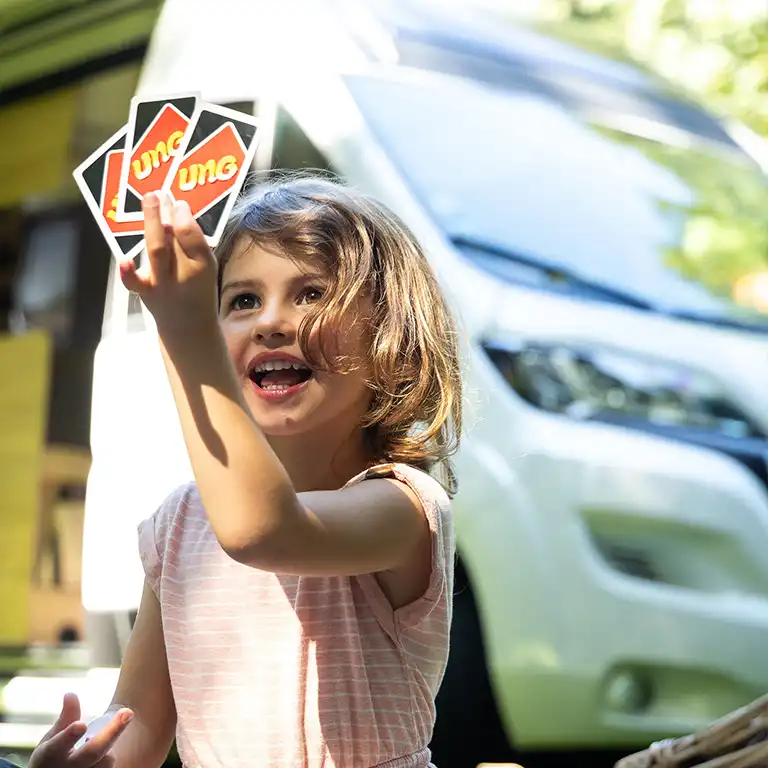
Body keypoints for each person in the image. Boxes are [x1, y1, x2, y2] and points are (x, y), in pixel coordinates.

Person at [30, 175, 462, 768]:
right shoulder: (179, 525)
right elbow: (141, 720)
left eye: (312, 294)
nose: (271, 322)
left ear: (392, 336)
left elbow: (264, 530)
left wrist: (185, 332)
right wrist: (91, 753)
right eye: (241, 300)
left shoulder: (405, 507)